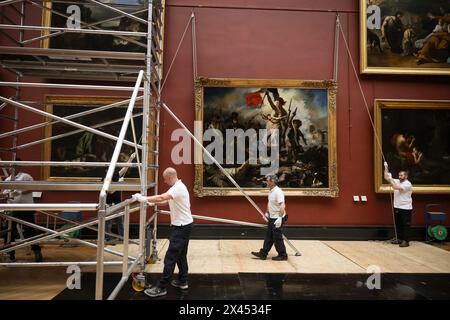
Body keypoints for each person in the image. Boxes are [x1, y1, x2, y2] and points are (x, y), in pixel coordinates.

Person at [133, 167, 193, 298]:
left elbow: (161, 197)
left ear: (170, 177)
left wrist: (142, 198)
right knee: (181, 255)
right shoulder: (179, 187)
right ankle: (183, 281)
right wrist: (149, 202)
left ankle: (161, 287)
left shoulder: (177, 188)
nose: (165, 182)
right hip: (184, 226)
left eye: (165, 180)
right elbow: (166, 201)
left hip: (181, 227)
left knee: (170, 257)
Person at [1, 159, 42, 262]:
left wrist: (19, 192)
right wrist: (4, 194)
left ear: (18, 167)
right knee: (9, 232)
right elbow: (4, 193)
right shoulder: (8, 179)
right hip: (12, 208)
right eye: (10, 166)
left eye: (13, 166)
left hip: (25, 208)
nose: (11, 168)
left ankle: (37, 251)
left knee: (30, 231)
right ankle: (10, 253)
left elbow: (32, 187)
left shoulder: (25, 176)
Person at [251, 174, 288, 261]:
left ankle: (283, 255)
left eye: (267, 181)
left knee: (277, 237)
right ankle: (263, 254)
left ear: (272, 182)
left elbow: (282, 205)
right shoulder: (271, 191)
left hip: (278, 218)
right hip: (272, 217)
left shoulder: (278, 192)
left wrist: (279, 218)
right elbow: (269, 203)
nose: (266, 182)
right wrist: (267, 213)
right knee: (269, 236)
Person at [104, 152, 136, 241]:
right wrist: (119, 183)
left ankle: (123, 238)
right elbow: (110, 191)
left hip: (117, 202)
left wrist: (131, 158)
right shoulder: (105, 177)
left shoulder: (114, 174)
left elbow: (124, 169)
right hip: (108, 202)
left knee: (120, 222)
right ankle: (108, 238)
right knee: (108, 223)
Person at [384, 162, 413, 248]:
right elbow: (386, 177)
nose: (400, 177)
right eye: (399, 175)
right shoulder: (397, 181)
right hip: (397, 206)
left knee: (405, 225)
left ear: (406, 176)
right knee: (398, 224)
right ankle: (399, 238)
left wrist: (391, 180)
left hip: (406, 208)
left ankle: (406, 241)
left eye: (401, 175)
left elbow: (396, 187)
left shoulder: (407, 184)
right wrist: (386, 167)